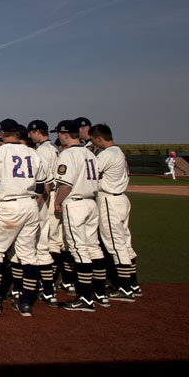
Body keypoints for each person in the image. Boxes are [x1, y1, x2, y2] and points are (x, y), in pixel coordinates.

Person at [0, 119, 47, 317]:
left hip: (8, 205)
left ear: (2, 133)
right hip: (31, 203)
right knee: (29, 255)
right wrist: (32, 206)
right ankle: (25, 303)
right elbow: (41, 188)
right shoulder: (33, 153)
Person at [54, 120, 105, 312]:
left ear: (65, 134)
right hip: (92, 202)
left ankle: (85, 298)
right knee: (94, 248)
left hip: (75, 203)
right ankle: (100, 293)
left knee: (79, 249)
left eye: (59, 133)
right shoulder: (89, 152)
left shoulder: (68, 154)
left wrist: (58, 201)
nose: (58, 136)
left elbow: (65, 184)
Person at [89, 123, 139, 301]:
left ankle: (125, 289)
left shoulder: (108, 153)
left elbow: (91, 170)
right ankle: (133, 283)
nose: (94, 143)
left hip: (110, 200)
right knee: (124, 242)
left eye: (94, 140)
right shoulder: (118, 151)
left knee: (116, 245)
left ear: (99, 138)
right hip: (121, 198)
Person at [29, 119, 61, 306]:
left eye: (32, 133)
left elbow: (44, 183)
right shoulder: (55, 148)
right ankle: (50, 285)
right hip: (57, 194)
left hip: (47, 196)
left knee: (43, 243)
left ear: (37, 132)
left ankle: (44, 285)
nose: (31, 136)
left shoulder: (42, 151)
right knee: (54, 242)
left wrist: (44, 203)